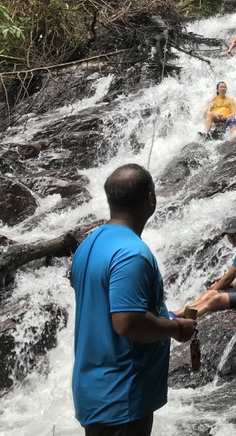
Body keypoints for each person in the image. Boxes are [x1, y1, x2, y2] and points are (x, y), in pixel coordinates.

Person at [71, 164, 197, 435]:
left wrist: (164, 314)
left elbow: (105, 305)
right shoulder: (132, 253)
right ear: (151, 198)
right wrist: (176, 329)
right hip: (122, 395)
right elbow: (128, 323)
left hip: (94, 388)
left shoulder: (89, 244)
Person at [174, 217, 236, 318]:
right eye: (229, 236)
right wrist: (214, 289)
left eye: (235, 234)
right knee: (208, 294)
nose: (232, 238)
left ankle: (185, 319)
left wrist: (214, 289)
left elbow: (228, 279)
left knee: (216, 298)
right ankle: (176, 314)